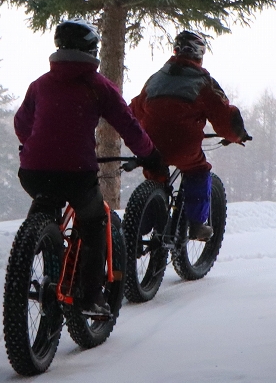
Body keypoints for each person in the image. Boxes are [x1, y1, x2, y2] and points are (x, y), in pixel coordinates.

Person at [14, 19, 165, 317]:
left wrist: (37, 146)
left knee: (46, 204)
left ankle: (34, 253)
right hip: (76, 174)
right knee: (95, 222)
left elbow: (22, 124)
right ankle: (91, 297)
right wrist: (150, 155)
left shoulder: (40, 84)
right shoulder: (98, 87)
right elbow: (128, 126)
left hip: (33, 172)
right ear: (92, 51)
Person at [131, 30, 250, 241]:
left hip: (150, 144)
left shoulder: (155, 79)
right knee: (198, 170)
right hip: (182, 146)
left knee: (156, 168)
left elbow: (136, 109)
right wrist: (237, 136)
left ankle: (142, 223)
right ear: (199, 55)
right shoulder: (203, 82)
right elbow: (224, 118)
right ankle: (196, 225)